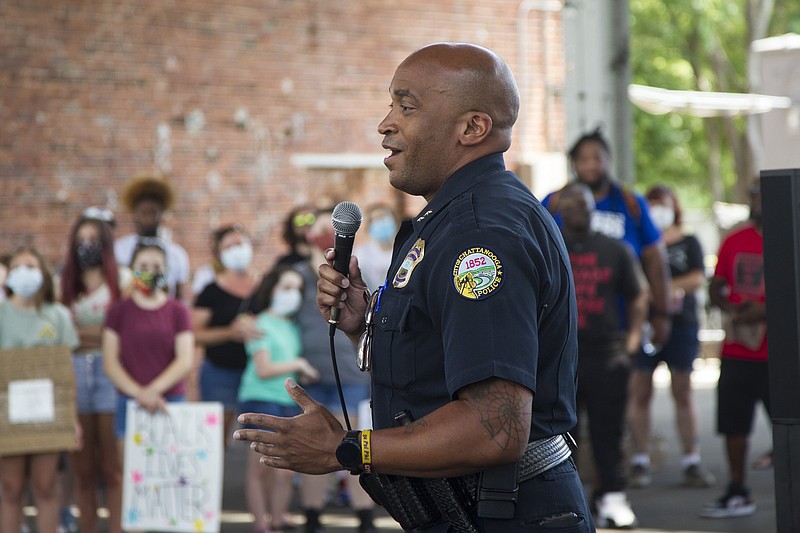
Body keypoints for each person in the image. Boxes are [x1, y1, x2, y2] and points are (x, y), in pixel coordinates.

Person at [235, 42, 594, 531]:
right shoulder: (448, 218)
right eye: (390, 104)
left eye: (407, 106)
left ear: (472, 128)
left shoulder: (480, 233)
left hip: (503, 514)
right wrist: (363, 327)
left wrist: (346, 448)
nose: (385, 123)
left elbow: (495, 429)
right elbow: (438, 372)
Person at [557, 183, 647, 528]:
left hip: (607, 355)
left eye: (581, 204)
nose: (575, 210)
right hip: (563, 359)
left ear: (593, 208)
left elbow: (639, 295)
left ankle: (613, 497)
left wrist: (633, 341)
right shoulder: (551, 246)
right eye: (568, 206)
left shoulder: (615, 249)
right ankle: (571, 500)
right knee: (565, 434)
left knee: (609, 431)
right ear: (560, 211)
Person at [542, 128, 673, 350]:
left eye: (597, 158)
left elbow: (655, 259)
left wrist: (662, 312)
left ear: (608, 160)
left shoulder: (631, 203)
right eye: (583, 159)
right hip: (565, 326)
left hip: (619, 326)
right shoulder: (553, 202)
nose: (590, 165)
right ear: (573, 163)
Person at [292, 207, 376, 533]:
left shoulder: (358, 270)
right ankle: (312, 515)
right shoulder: (298, 273)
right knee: (315, 446)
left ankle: (364, 516)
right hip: (311, 375)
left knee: (355, 446)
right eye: (321, 229)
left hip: (350, 375)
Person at [627, 185, 716, 490]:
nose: (658, 211)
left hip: (682, 326)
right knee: (639, 391)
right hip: (645, 325)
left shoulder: (689, 241)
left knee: (683, 391)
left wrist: (661, 289)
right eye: (652, 205)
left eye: (663, 204)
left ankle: (691, 460)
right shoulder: (641, 241)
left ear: (674, 207)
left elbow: (696, 277)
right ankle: (639, 460)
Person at [59, 207, 130, 533]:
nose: (87, 245)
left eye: (94, 239)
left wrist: (85, 335)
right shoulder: (62, 281)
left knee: (113, 468)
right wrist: (101, 332)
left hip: (110, 371)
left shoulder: (126, 279)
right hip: (73, 373)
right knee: (83, 470)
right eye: (82, 239)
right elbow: (62, 338)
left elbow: (125, 330)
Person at [0, 247, 79, 533]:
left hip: (48, 414)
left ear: (43, 273)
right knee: (11, 489)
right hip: (8, 415)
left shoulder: (56, 316)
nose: (24, 271)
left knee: (45, 487)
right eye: (17, 265)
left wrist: (72, 418)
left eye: (30, 265)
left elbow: (66, 370)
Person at [701, 180, 768, 518]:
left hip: (777, 355)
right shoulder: (734, 240)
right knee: (733, 426)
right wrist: (725, 304)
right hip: (737, 351)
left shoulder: (788, 236)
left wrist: (765, 310)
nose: (757, 202)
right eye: (753, 196)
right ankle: (738, 489)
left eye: (762, 196)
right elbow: (716, 284)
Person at [239, 265, 319, 533]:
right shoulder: (260, 323)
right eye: (286, 287)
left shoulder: (292, 327)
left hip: (286, 401)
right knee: (260, 467)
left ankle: (278, 517)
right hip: (260, 399)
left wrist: (302, 372)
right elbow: (263, 370)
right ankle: (261, 525)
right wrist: (297, 363)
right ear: (272, 289)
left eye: (297, 289)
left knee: (285, 467)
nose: (292, 294)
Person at [102, 237, 194, 441]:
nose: (150, 271)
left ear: (166, 270)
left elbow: (185, 360)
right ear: (131, 269)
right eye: (143, 266)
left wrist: (153, 391)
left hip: (171, 401)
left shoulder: (179, 311)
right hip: (129, 401)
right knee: (130, 471)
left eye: (156, 266)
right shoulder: (117, 312)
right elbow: (110, 363)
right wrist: (140, 394)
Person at [193, 224, 263, 444]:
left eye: (240, 243)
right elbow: (195, 334)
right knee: (214, 440)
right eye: (229, 246)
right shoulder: (210, 291)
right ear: (219, 254)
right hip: (219, 373)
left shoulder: (266, 286)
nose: (236, 249)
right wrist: (229, 333)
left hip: (259, 374)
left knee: (262, 439)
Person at [114, 175, 191, 301]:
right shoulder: (119, 249)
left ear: (161, 215)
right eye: (144, 212)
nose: (149, 217)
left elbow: (179, 296)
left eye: (154, 212)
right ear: (135, 214)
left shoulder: (177, 254)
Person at [353, 203, 398, 290]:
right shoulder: (362, 253)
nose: (380, 222)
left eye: (383, 217)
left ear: (394, 220)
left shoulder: (406, 249)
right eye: (375, 219)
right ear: (369, 228)